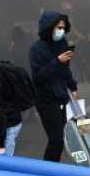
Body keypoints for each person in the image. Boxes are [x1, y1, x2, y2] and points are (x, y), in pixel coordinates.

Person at [28, 11, 78, 162]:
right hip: (45, 99)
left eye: (63, 28)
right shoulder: (36, 49)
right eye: (58, 28)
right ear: (49, 27)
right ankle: (47, 170)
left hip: (61, 96)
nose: (61, 31)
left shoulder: (62, 44)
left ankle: (53, 167)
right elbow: (37, 76)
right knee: (56, 139)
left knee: (62, 137)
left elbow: (65, 69)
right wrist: (57, 61)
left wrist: (73, 87)